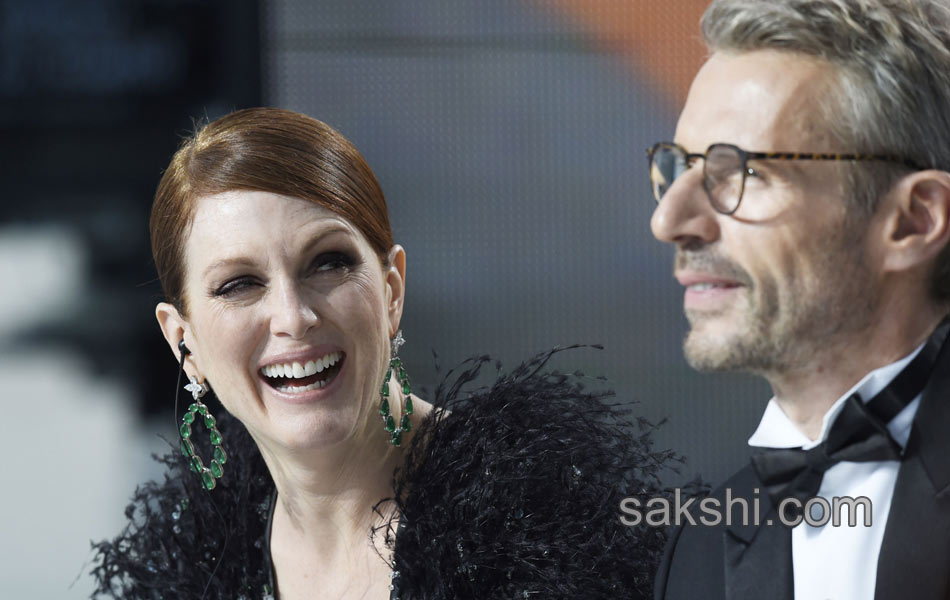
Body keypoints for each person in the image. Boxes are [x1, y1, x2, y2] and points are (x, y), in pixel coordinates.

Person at [91, 107, 669, 599]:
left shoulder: (541, 521)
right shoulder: (191, 567)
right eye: (239, 284)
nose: (293, 317)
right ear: (183, 342)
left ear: (391, 291)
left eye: (328, 263)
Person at [647, 1, 950, 599]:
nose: (669, 221)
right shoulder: (695, 553)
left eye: (744, 171)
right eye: (679, 167)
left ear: (913, 221)